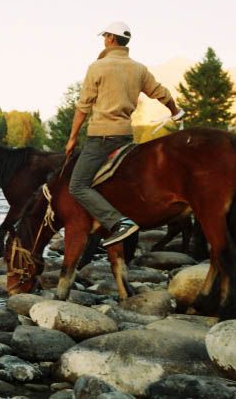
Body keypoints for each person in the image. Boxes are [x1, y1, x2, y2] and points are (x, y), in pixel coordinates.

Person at [65, 21, 183, 247]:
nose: (103, 40)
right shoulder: (139, 68)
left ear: (110, 38)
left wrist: (72, 138)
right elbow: (161, 93)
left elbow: (83, 107)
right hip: (127, 138)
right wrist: (175, 112)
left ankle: (118, 223)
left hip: (100, 138)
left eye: (105, 36)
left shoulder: (97, 67)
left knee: (77, 185)